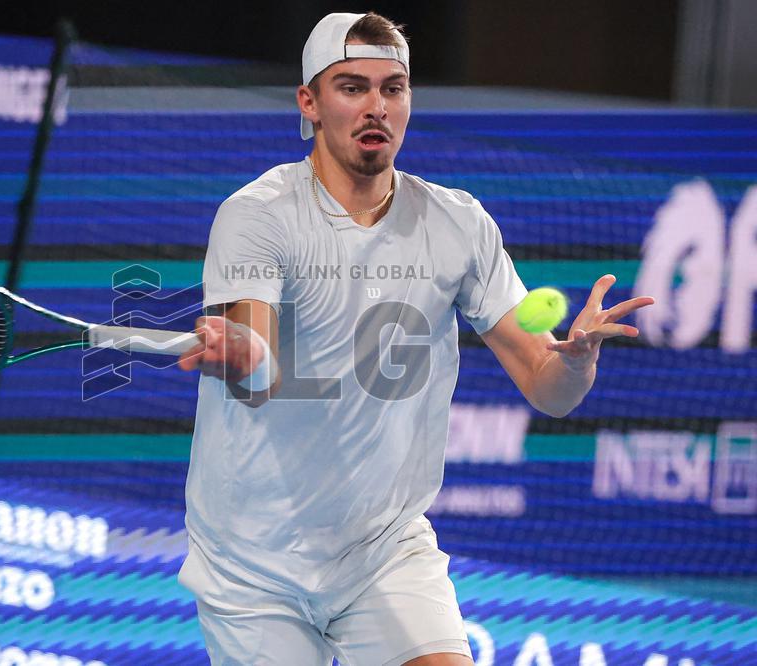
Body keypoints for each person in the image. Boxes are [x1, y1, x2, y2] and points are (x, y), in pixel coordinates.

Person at [176, 12, 654, 666]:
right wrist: (240, 357)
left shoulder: (457, 225)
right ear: (309, 103)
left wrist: (577, 361)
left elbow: (552, 392)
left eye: (392, 87)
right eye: (352, 87)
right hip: (255, 560)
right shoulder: (257, 216)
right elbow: (254, 375)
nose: (376, 105)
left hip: (383, 549)